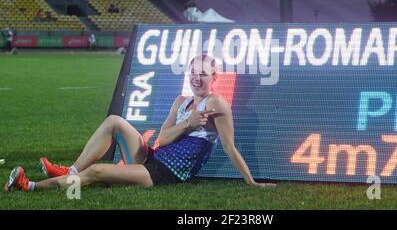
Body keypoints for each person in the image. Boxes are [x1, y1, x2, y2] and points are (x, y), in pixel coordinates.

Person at [5, 54, 275, 192]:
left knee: (97, 172)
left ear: (214, 77)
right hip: (154, 157)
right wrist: (190, 123)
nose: (197, 77)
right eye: (193, 72)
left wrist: (250, 182)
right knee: (114, 121)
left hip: (164, 174)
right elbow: (165, 138)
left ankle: (29, 186)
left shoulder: (217, 105)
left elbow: (229, 147)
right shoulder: (181, 101)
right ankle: (70, 169)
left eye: (203, 74)